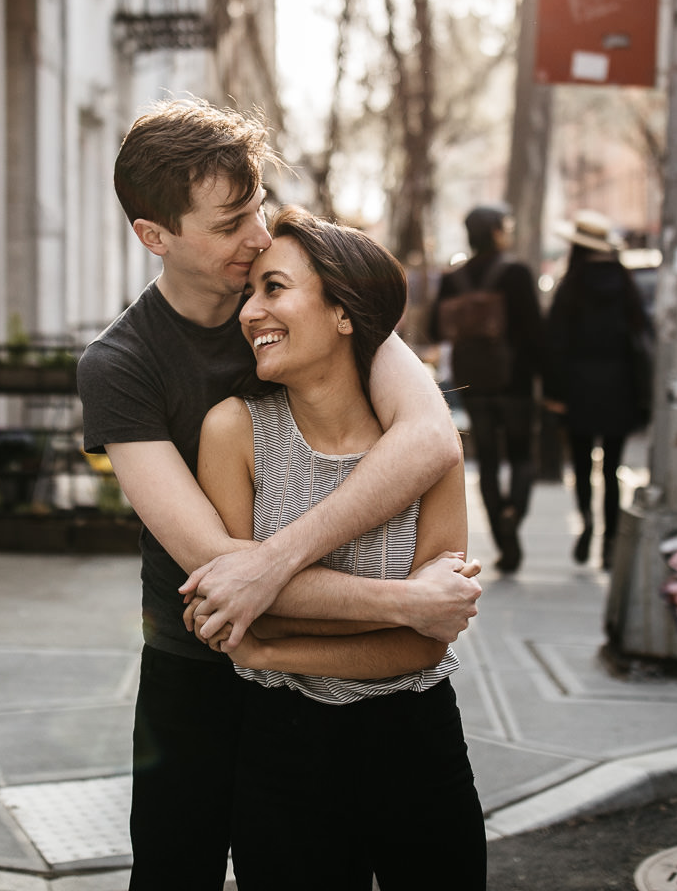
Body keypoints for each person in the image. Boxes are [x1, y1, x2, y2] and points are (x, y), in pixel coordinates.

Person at [75, 99, 477, 890]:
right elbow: (221, 566)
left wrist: (282, 559)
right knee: (173, 872)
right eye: (228, 225)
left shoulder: (305, 291)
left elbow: (431, 438)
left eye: (255, 206)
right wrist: (409, 606)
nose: (256, 235)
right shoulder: (121, 365)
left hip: (333, 682)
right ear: (155, 236)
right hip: (194, 658)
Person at [194, 207, 486, 890]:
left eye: (273, 288)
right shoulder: (232, 432)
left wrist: (272, 648)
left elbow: (425, 644)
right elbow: (244, 608)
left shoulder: (428, 452)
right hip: (280, 749)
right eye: (249, 293)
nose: (250, 312)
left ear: (344, 313)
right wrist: (406, 604)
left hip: (417, 742)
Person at [430, 204, 542, 572]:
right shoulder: (516, 274)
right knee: (522, 456)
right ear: (495, 232)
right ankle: (514, 515)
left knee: (489, 461)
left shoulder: (452, 279)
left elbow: (434, 328)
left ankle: (504, 544)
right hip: (516, 382)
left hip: (473, 382)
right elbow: (534, 331)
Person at [541, 210, 652, 568]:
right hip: (619, 387)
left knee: (583, 465)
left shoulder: (571, 285)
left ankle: (587, 523)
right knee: (613, 467)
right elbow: (642, 336)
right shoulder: (625, 282)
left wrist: (554, 393)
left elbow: (554, 343)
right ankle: (609, 542)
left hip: (577, 389)